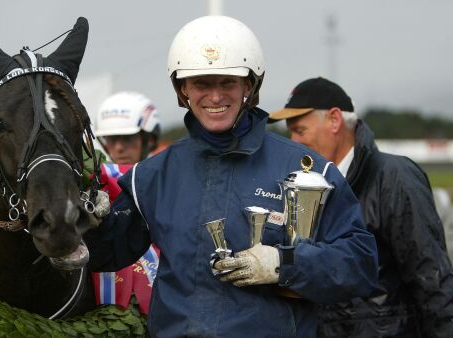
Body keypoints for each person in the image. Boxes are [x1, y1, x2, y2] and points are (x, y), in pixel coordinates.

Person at [84, 16, 379, 337]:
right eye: (201, 83)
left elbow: (360, 264)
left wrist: (284, 263)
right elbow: (102, 255)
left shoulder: (308, 170)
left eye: (227, 82)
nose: (214, 96)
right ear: (182, 89)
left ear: (249, 86)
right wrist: (85, 220)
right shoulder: (152, 175)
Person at [269, 77, 453, 338]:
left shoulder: (395, 178)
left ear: (334, 120)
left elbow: (432, 280)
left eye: (300, 130)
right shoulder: (303, 185)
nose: (294, 142)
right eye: (291, 133)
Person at [92, 91, 162, 315]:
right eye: (112, 140)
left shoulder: (170, 176)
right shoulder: (90, 186)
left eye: (128, 139)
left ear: (149, 139)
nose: (119, 148)